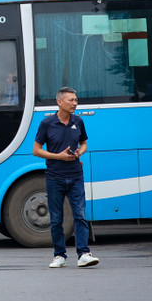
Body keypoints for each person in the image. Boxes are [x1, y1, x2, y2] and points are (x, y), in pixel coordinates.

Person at [33, 87, 98, 268]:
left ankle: (84, 253)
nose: (75, 103)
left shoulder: (78, 121)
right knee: (56, 219)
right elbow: (36, 150)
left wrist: (79, 152)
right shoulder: (47, 123)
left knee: (80, 215)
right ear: (59, 102)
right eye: (71, 100)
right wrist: (58, 156)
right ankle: (59, 255)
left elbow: (84, 143)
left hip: (76, 175)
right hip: (54, 178)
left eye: (76, 100)